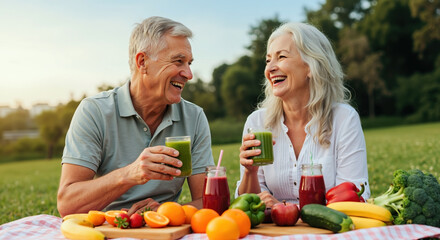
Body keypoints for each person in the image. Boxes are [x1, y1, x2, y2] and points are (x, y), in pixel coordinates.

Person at [57, 16, 214, 217]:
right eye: (178, 61)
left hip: (165, 229)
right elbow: (68, 204)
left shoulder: (194, 116)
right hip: (110, 228)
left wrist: (167, 212)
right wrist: (130, 174)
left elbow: (208, 201)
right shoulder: (94, 111)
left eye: (189, 63)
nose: (189, 74)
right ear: (142, 62)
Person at [236, 22, 370, 208]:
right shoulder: (257, 122)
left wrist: (288, 210)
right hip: (272, 231)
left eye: (281, 57)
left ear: (311, 66)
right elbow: (249, 204)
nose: (270, 68)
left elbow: (354, 195)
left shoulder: (344, 119)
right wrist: (250, 172)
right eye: (268, 60)